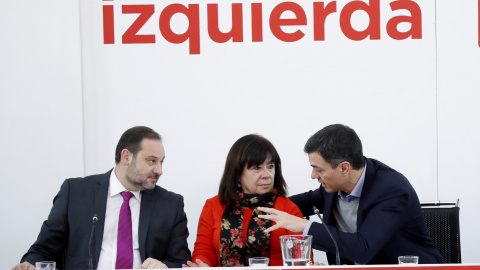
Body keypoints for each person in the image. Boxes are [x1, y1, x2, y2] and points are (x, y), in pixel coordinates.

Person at [258, 124, 444, 265]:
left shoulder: (392, 191)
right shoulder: (332, 188)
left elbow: (362, 248)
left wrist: (304, 226)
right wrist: (246, 203)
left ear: (344, 168)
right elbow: (292, 205)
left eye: (318, 170)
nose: (313, 176)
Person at [13, 126, 190, 270]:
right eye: (152, 161)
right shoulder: (76, 192)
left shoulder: (170, 204)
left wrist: (164, 267)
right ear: (127, 157)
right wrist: (30, 266)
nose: (159, 170)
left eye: (161, 162)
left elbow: (181, 261)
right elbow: (43, 250)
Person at [184, 134, 305, 267]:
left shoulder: (288, 208)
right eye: (257, 168)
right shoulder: (213, 206)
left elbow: (301, 259)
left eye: (270, 167)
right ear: (237, 174)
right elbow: (203, 252)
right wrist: (203, 265)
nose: (267, 175)